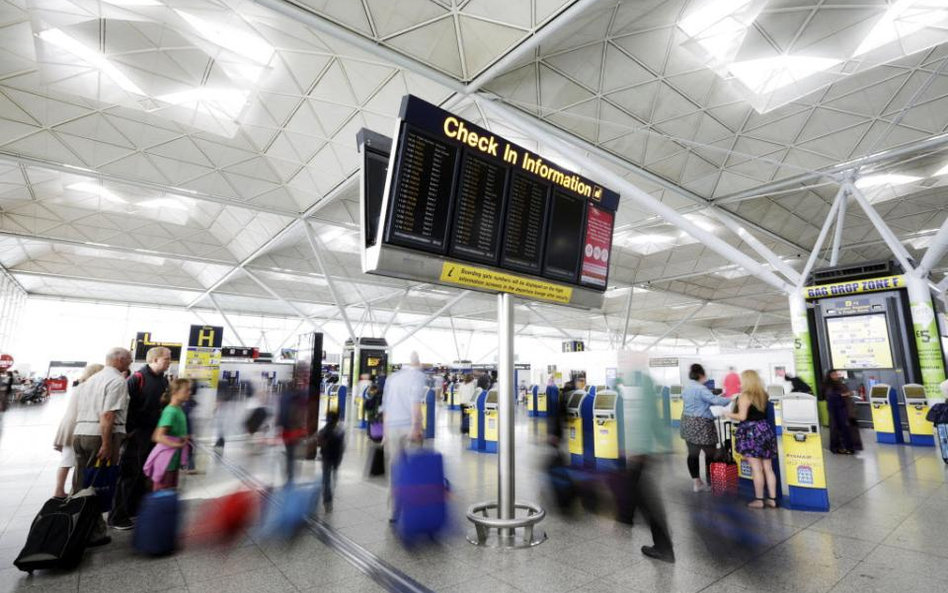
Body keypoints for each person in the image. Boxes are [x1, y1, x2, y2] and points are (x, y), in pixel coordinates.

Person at [72, 347, 132, 545]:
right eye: (129, 359)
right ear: (119, 360)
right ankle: (94, 533)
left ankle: (74, 526)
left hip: (81, 433)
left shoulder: (92, 380)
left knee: (81, 483)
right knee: (98, 484)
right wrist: (106, 443)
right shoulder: (117, 381)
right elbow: (107, 415)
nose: (131, 362)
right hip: (100, 436)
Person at [110, 346, 171, 529]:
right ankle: (116, 516)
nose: (169, 362)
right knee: (128, 473)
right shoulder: (137, 378)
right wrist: (128, 431)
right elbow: (124, 406)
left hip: (152, 433)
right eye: (166, 359)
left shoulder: (163, 381)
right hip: (136, 434)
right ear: (154, 360)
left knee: (144, 472)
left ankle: (133, 508)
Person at [615, 373, 674, 563]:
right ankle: (627, 521)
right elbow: (654, 421)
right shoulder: (644, 391)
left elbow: (649, 421)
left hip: (640, 454)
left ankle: (663, 548)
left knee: (648, 503)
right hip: (641, 453)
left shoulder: (641, 390)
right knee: (643, 498)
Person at [381, 351, 426, 521]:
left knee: (395, 470)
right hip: (408, 428)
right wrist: (416, 427)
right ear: (417, 363)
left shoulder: (392, 378)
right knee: (414, 468)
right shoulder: (418, 377)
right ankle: (413, 508)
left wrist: (385, 432)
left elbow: (385, 406)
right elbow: (415, 403)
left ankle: (395, 510)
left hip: (391, 429)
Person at [727, 370, 778, 508]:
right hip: (765, 430)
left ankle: (759, 500)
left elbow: (742, 417)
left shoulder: (745, 396)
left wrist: (728, 414)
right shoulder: (763, 394)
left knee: (756, 468)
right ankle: (772, 499)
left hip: (751, 433)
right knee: (768, 468)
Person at [53, 364, 104, 498]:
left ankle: (59, 490)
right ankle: (66, 491)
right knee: (72, 460)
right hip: (77, 425)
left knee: (66, 460)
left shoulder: (80, 386)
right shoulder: (91, 388)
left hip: (68, 423)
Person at [680, 363, 731, 492]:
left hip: (687, 423)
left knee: (693, 454)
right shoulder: (701, 389)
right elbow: (716, 401)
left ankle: (696, 482)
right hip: (702, 424)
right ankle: (710, 482)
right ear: (701, 375)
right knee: (711, 454)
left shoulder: (686, 387)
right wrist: (731, 399)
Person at [146, 379, 191, 491]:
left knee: (169, 493)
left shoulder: (178, 409)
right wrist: (178, 445)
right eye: (186, 390)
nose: (189, 392)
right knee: (162, 495)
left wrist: (183, 437)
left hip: (173, 461)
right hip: (166, 462)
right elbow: (157, 436)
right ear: (175, 392)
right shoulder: (171, 411)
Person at [317, 411, 345, 512]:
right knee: (332, 479)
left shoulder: (323, 431)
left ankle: (327, 501)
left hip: (327, 458)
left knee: (326, 480)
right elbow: (342, 447)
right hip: (335, 459)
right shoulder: (340, 431)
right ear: (337, 419)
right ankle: (329, 498)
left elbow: (319, 443)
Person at [823, 370, 855, 454]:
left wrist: (848, 394)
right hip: (835, 409)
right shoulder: (829, 384)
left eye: (836, 374)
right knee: (836, 428)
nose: (836, 376)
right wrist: (843, 394)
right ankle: (838, 447)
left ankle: (847, 446)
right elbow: (830, 396)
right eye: (834, 374)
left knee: (844, 427)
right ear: (829, 376)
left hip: (842, 407)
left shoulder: (838, 383)